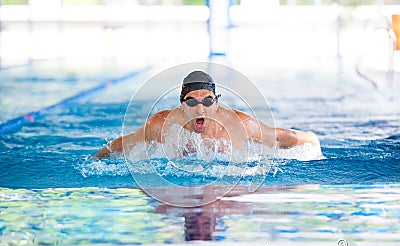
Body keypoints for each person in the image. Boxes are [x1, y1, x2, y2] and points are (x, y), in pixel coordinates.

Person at [94, 70, 320, 159]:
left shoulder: (238, 125)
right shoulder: (161, 125)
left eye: (207, 101)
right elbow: (126, 143)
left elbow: (280, 138)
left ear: (216, 104)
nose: (200, 108)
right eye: (192, 101)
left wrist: (311, 141)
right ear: (182, 105)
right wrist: (96, 159)